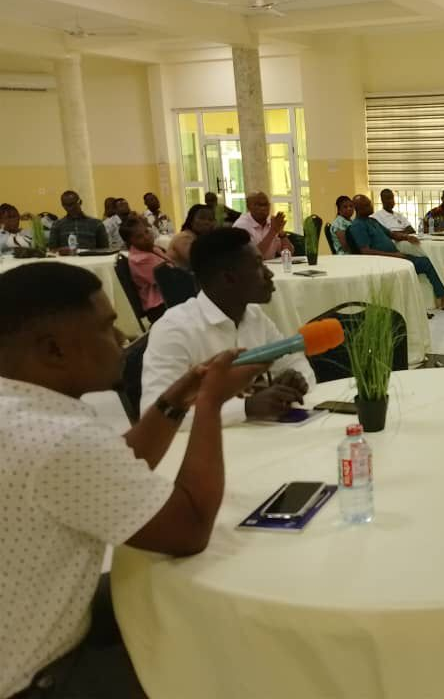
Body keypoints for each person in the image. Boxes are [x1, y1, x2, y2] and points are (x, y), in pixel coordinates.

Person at [0, 262, 267, 699]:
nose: (123, 337)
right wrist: (210, 404)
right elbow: (189, 529)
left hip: (21, 627)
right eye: (106, 328)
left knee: (159, 592)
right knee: (224, 644)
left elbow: (110, 468)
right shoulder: (59, 439)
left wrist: (178, 398)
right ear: (53, 350)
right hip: (36, 677)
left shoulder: (21, 412)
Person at [142, 228, 317, 428]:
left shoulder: (255, 317)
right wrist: (245, 408)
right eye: (258, 266)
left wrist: (296, 381)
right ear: (228, 278)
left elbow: (295, 363)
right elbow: (153, 414)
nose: (269, 274)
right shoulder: (175, 329)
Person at [349, 195, 444, 311]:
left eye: (369, 203)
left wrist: (406, 237)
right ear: (357, 208)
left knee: (426, 259)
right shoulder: (358, 226)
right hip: (385, 262)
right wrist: (394, 255)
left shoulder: (372, 221)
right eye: (366, 205)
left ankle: (443, 298)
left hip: (396, 257)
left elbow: (391, 234)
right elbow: (366, 252)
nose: (370, 207)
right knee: (426, 263)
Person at [121, 216, 173, 323]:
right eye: (139, 237)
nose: (146, 237)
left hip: (168, 297)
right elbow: (167, 279)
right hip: (159, 306)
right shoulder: (139, 260)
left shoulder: (152, 248)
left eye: (146, 231)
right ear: (130, 242)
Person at [233, 191, 294, 260]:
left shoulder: (272, 221)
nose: (263, 208)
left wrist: (281, 233)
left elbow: (289, 252)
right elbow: (253, 256)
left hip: (270, 265)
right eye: (258, 205)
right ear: (249, 207)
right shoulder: (241, 226)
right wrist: (273, 231)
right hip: (250, 266)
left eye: (266, 204)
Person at [371, 188, 423, 254]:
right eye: (388, 198)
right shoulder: (376, 216)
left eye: (392, 198)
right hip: (393, 245)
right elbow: (387, 234)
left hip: (408, 240)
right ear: (382, 200)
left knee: (423, 246)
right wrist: (398, 234)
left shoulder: (399, 215)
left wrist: (398, 234)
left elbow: (411, 230)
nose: (391, 201)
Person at [167, 203, 217, 268]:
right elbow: (198, 262)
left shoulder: (201, 238)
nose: (206, 222)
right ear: (191, 220)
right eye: (202, 218)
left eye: (210, 219)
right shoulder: (184, 237)